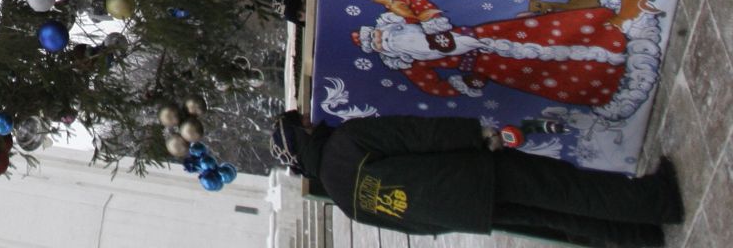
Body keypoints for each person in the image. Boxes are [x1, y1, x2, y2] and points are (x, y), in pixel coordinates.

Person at [271, 110, 684, 246]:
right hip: (468, 175)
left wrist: (452, 218)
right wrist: (479, 137)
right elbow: (419, 135)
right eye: (303, 122)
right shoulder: (347, 141)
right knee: (564, 188)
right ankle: (657, 200)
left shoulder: (342, 197)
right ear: (303, 135)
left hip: (462, 210)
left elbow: (405, 222)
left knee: (555, 216)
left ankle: (639, 237)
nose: (311, 120)